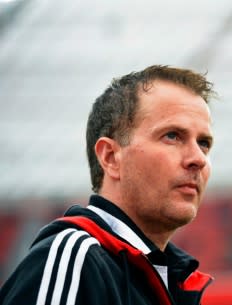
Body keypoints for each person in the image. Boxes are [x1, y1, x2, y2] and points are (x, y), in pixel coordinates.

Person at [0, 65, 216, 305]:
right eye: (173, 136)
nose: (198, 158)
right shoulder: (76, 259)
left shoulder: (172, 282)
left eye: (204, 143)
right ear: (111, 157)